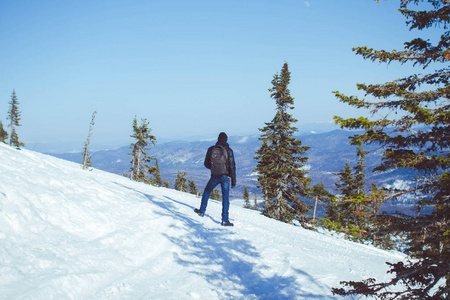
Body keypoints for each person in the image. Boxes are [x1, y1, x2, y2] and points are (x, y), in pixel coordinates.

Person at [194, 132, 236, 226]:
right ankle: (225, 220)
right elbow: (232, 166)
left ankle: (202, 211)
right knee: (225, 198)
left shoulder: (211, 149)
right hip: (226, 176)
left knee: (207, 191)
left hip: (214, 176)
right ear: (226, 139)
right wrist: (233, 180)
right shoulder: (229, 150)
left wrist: (214, 169)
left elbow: (206, 163)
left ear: (218, 139)